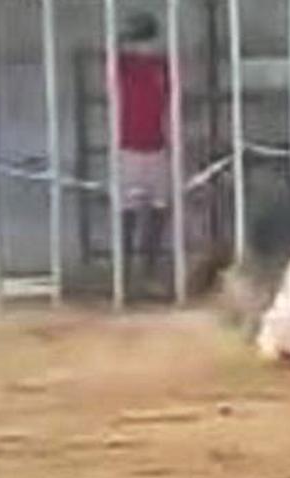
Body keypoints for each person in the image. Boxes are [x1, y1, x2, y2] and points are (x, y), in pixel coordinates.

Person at [116, 11, 172, 285]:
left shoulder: (162, 66)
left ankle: (148, 267)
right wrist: (127, 36)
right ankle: (125, 272)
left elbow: (170, 99)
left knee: (160, 208)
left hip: (157, 146)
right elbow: (115, 49)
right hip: (129, 148)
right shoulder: (123, 65)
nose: (144, 45)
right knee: (127, 211)